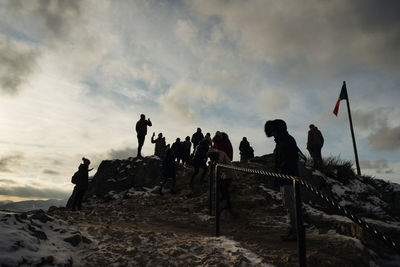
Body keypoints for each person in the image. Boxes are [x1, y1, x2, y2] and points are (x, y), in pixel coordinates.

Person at [265, 119, 299, 241]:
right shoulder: (281, 142)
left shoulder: (287, 140)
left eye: (273, 130)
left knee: (290, 204)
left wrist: (281, 173)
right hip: (284, 177)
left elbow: (290, 159)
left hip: (288, 177)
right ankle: (294, 229)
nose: (272, 133)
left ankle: (295, 231)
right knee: (288, 204)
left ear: (278, 130)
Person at [208, 148, 234, 214]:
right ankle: (224, 203)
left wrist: (213, 164)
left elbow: (219, 162)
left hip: (228, 173)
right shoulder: (217, 155)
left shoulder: (220, 153)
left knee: (224, 189)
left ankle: (228, 205)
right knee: (220, 187)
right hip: (224, 174)